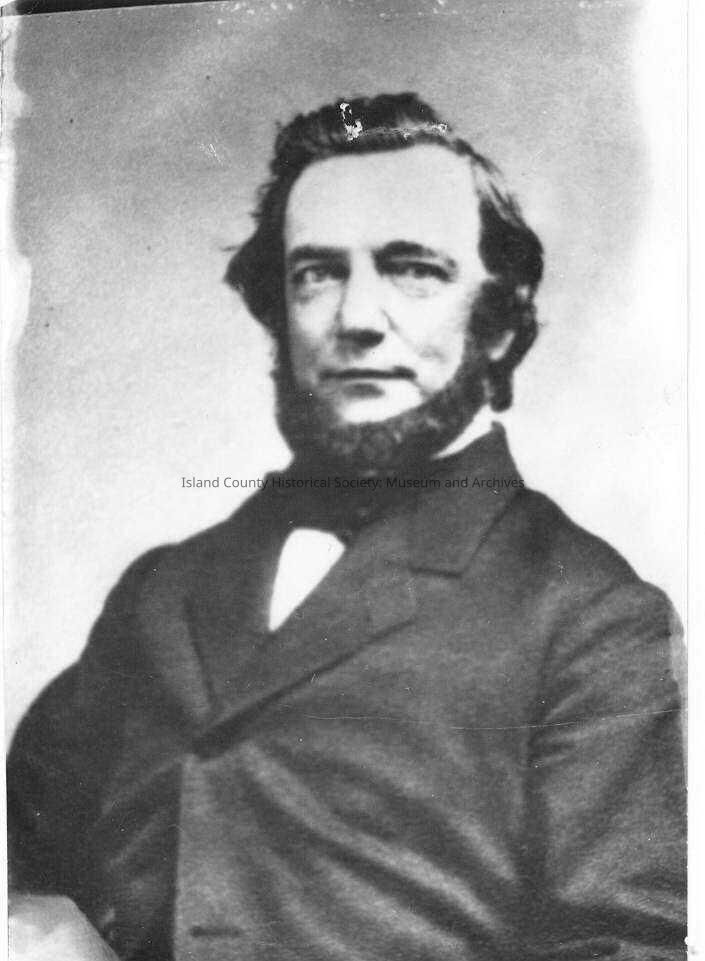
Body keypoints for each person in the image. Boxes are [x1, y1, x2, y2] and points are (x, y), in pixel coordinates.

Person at [7, 93, 686, 961]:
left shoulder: (591, 618)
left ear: (500, 319)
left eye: (413, 269)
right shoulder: (164, 588)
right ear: (276, 313)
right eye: (316, 274)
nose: (357, 318)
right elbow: (29, 845)